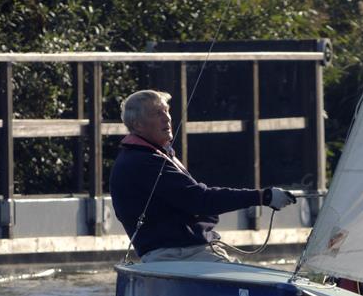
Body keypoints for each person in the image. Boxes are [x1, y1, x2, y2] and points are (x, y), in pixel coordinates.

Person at [109, 90, 296, 263]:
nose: (166, 118)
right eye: (157, 113)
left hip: (178, 254)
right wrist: (263, 196)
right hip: (179, 256)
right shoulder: (143, 162)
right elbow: (200, 199)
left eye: (166, 111)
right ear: (138, 125)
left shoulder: (145, 155)